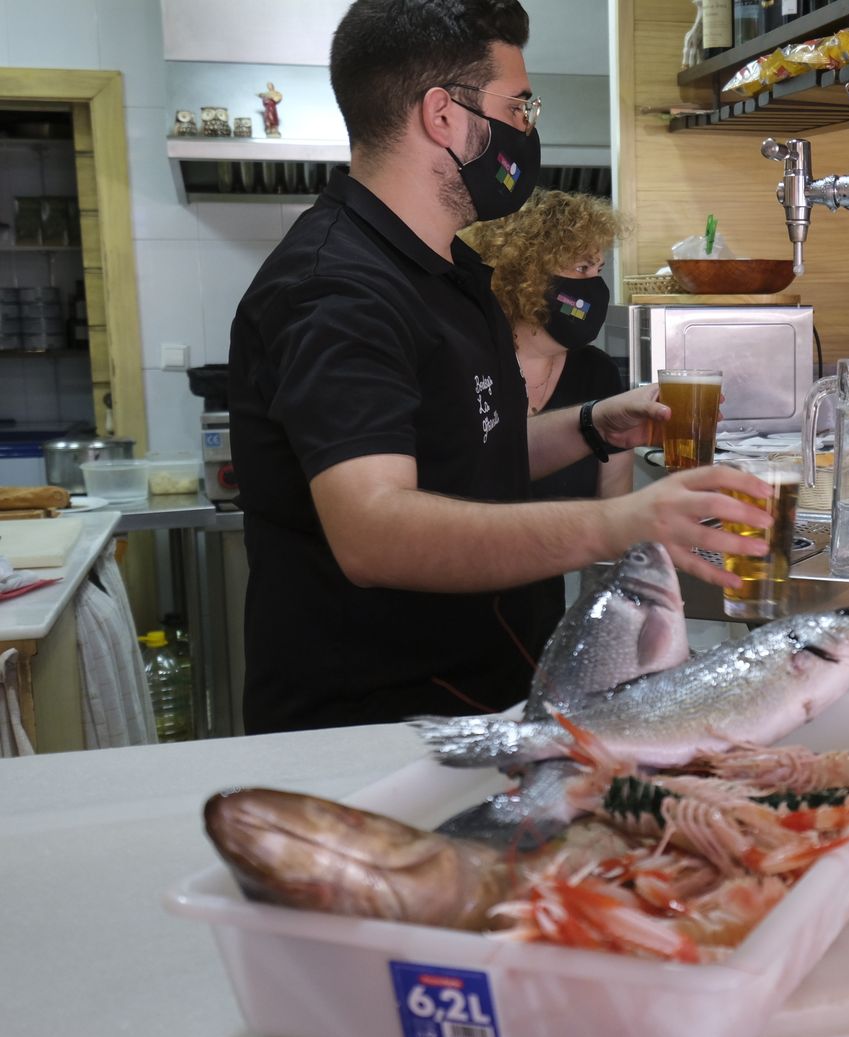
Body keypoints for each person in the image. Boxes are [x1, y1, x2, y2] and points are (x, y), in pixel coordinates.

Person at [228, 0, 771, 734]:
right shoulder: (337, 289)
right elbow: (374, 530)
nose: (527, 127)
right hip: (374, 729)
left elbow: (472, 454)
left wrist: (591, 427)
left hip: (489, 701)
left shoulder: (451, 272)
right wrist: (617, 522)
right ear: (443, 117)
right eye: (518, 106)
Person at [462, 190, 630, 500]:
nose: (596, 285)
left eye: (599, 270)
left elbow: (616, 507)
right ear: (527, 274)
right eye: (582, 268)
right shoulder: (467, 365)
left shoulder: (598, 372)